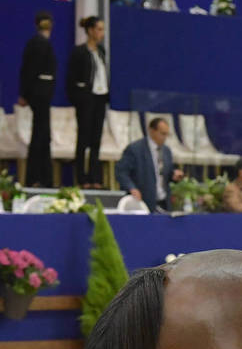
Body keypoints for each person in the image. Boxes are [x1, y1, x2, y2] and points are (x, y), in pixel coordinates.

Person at [67, 16, 109, 188]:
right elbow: (72, 78)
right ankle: (81, 177)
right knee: (83, 138)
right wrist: (79, 96)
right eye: (99, 29)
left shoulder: (101, 51)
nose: (101, 33)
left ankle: (95, 176)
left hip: (100, 97)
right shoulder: (79, 52)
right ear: (90, 31)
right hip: (86, 98)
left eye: (102, 29)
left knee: (96, 139)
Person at [18, 11, 57, 188]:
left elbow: (27, 70)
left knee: (42, 135)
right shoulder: (38, 43)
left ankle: (41, 178)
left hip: (40, 94)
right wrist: (25, 94)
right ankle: (37, 178)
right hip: (39, 95)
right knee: (40, 136)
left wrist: (25, 94)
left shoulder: (38, 43)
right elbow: (29, 70)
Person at [114, 116, 182, 212]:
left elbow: (166, 174)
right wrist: (131, 188)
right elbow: (121, 171)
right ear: (152, 131)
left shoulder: (167, 151)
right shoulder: (135, 149)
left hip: (164, 204)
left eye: (167, 134)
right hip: (144, 201)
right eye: (162, 134)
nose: (165, 138)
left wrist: (174, 175)